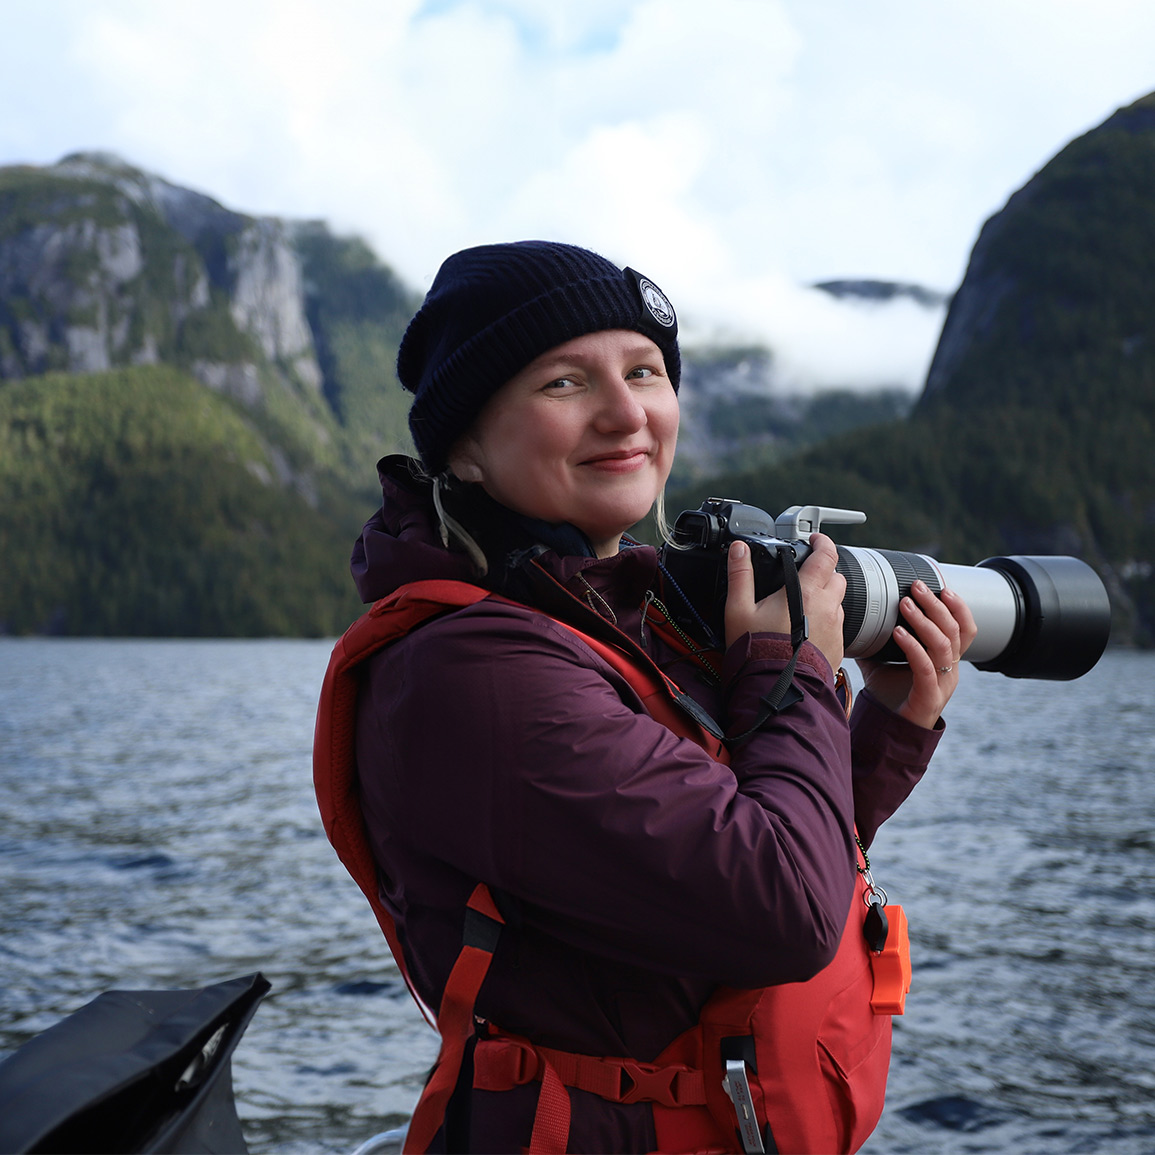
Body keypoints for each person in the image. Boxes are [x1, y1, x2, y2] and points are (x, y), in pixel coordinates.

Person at [318, 241, 976, 1154]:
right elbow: (775, 904)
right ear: (462, 448)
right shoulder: (473, 671)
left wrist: (882, 728)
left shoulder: (606, 614)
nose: (625, 412)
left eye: (645, 371)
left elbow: (733, 858)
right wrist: (789, 665)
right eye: (563, 383)